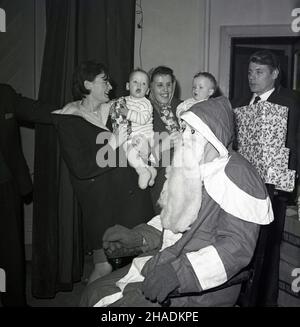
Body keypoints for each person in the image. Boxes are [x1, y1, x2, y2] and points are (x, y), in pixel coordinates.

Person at [79, 95, 274, 307]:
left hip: (202, 287)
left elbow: (235, 248)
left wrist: (180, 274)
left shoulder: (236, 175)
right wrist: (138, 238)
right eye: (184, 130)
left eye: (193, 131)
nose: (184, 138)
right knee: (95, 292)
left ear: (213, 136)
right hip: (168, 260)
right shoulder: (189, 167)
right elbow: (172, 223)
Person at [51, 61, 154, 284]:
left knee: (136, 266)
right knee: (104, 266)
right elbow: (81, 167)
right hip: (102, 205)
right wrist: (113, 144)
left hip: (132, 199)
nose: (110, 85)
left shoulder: (113, 109)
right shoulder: (69, 119)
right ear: (88, 84)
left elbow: (145, 115)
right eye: (104, 80)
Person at [232, 50, 300, 306]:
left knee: (267, 252)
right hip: (243, 188)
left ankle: (262, 302)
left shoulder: (291, 102)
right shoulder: (240, 101)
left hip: (275, 190)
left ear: (274, 74)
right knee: (243, 246)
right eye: (250, 72)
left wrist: (289, 188)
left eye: (259, 72)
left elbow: (296, 146)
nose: (252, 77)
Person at [0, 84, 54, 306]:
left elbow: (40, 110)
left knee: (9, 253)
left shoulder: (4, 94)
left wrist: (82, 109)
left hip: (5, 184)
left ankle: (12, 302)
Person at [109, 68, 157, 190]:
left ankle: (142, 172)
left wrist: (128, 112)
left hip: (144, 136)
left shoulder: (146, 103)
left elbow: (143, 119)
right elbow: (114, 108)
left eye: (143, 83)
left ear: (147, 91)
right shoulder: (124, 101)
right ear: (127, 86)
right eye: (135, 82)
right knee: (129, 154)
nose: (139, 85)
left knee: (131, 155)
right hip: (131, 137)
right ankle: (150, 171)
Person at [147, 66, 182, 214]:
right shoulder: (141, 113)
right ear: (150, 87)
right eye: (160, 85)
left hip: (185, 180)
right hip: (158, 183)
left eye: (168, 84)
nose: (165, 90)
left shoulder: (183, 107)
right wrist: (162, 146)